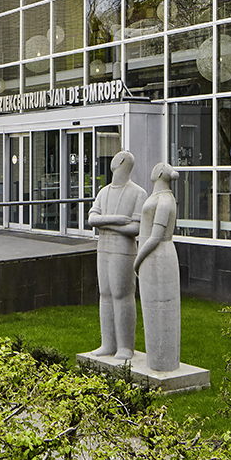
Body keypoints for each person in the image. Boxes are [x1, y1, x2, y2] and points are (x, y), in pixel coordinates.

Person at [86, 150, 146, 362]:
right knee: (105, 294)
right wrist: (116, 220)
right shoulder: (104, 193)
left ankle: (125, 346)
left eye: (116, 156)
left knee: (122, 294)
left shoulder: (138, 193)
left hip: (123, 250)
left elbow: (136, 228)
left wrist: (107, 224)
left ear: (120, 161)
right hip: (104, 249)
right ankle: (108, 343)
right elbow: (92, 219)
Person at [133, 163, 181, 374]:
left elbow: (156, 236)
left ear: (160, 173)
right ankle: (155, 359)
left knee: (161, 310)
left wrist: (137, 260)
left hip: (158, 256)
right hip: (151, 257)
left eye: (156, 167)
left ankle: (163, 361)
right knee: (150, 308)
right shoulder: (160, 197)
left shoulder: (164, 200)